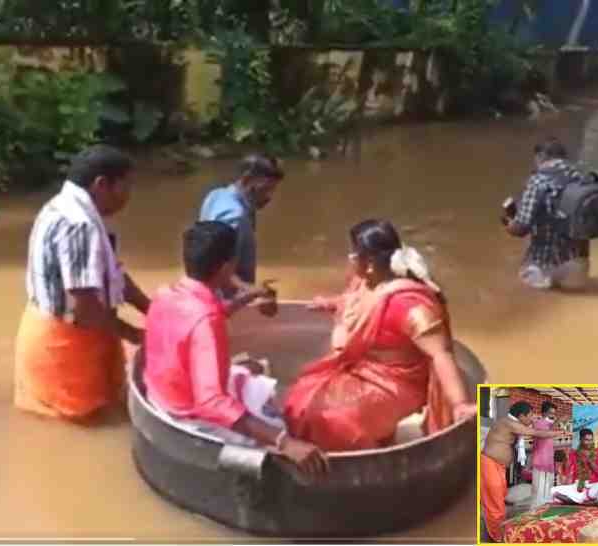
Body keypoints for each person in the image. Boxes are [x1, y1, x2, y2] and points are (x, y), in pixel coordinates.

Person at [143, 221, 327, 477]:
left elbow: (203, 315)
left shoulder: (165, 294)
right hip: (188, 417)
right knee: (279, 425)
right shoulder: (206, 320)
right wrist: (284, 441)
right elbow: (211, 402)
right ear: (226, 267)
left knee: (251, 371)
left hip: (159, 397)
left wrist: (250, 296)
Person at [282, 220, 477, 452]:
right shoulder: (365, 282)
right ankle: (378, 436)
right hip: (363, 368)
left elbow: (440, 354)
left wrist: (460, 404)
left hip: (399, 381)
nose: (350, 259)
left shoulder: (408, 305)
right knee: (301, 400)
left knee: (332, 420)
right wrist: (329, 303)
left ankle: (368, 451)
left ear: (370, 264)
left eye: (354, 254)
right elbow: (354, 303)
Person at [14, 145, 149, 420]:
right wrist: (136, 335)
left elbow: (113, 274)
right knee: (87, 421)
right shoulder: (80, 224)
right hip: (66, 344)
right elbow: (85, 309)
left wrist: (154, 311)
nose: (128, 196)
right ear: (102, 184)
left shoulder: (60, 206)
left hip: (55, 329)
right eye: (125, 186)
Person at [503, 137, 592, 290]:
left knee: (522, 292)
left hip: (544, 267)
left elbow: (520, 229)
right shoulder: (583, 179)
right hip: (578, 268)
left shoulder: (537, 181)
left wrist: (509, 224)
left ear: (541, 156)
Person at [198, 154, 284, 301]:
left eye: (273, 189)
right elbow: (214, 264)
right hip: (223, 301)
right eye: (266, 189)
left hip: (206, 294)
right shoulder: (234, 216)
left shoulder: (216, 195)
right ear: (247, 179)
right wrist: (252, 290)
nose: (269, 197)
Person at [481, 401, 565, 542]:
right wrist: (560, 432)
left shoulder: (514, 423)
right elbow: (535, 432)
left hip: (498, 466)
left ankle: (498, 531)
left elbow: (536, 425)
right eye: (530, 416)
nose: (532, 419)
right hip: (489, 464)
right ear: (521, 416)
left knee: (499, 498)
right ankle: (497, 537)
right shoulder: (509, 423)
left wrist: (549, 422)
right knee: (495, 502)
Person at [531, 401, 558, 508]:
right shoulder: (538, 423)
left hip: (548, 460)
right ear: (543, 413)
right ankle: (535, 510)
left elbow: (551, 427)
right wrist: (557, 425)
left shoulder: (548, 424)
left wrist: (556, 422)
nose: (553, 415)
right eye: (551, 413)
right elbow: (545, 433)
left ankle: (544, 508)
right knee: (539, 488)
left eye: (554, 413)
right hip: (540, 460)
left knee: (548, 487)